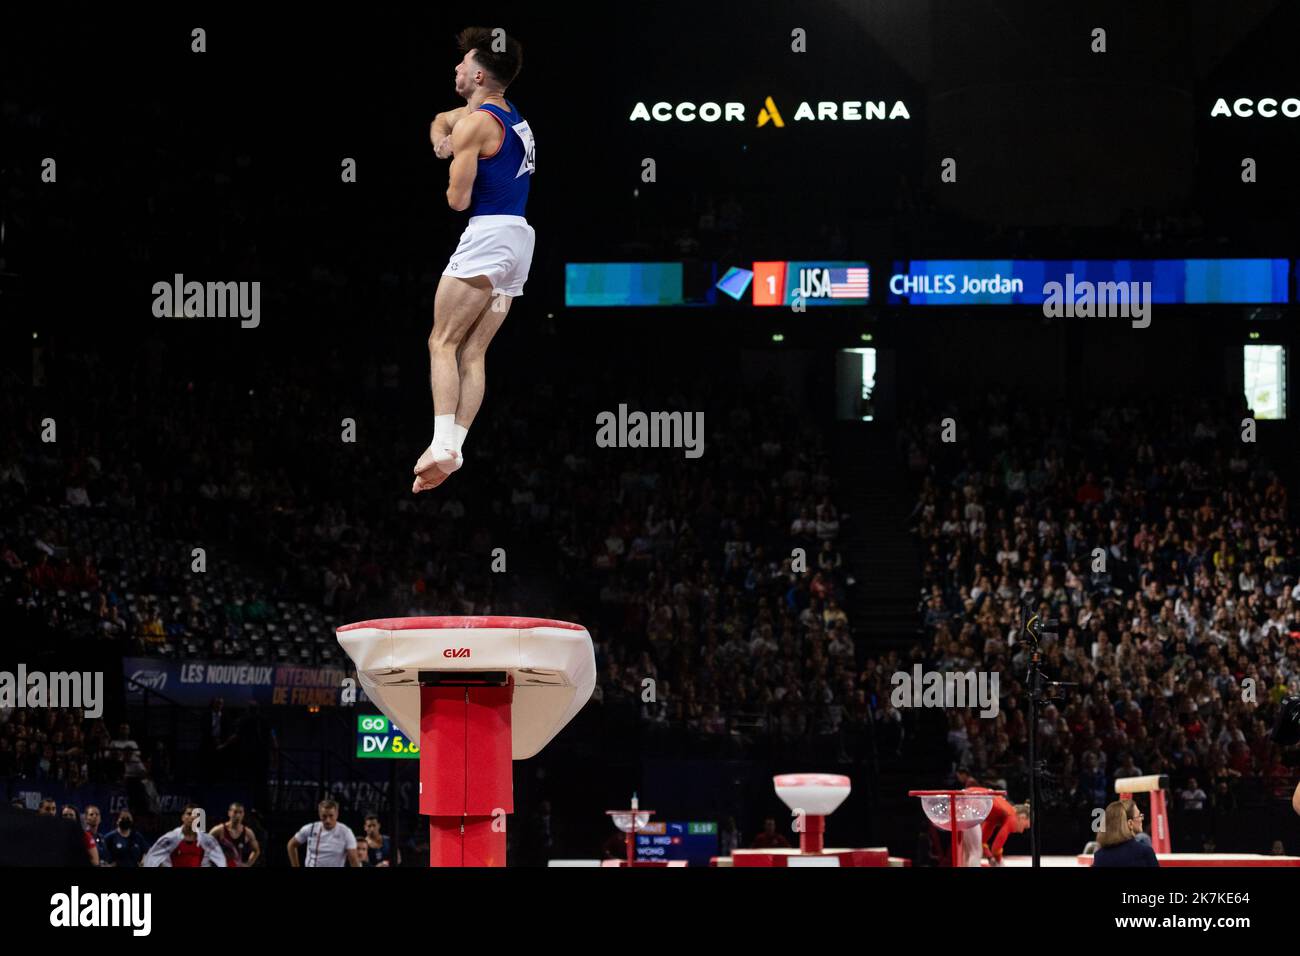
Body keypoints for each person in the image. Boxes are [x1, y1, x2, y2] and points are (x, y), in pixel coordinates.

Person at [413, 26, 534, 493]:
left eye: (463, 64)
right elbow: (442, 121)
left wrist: (455, 159)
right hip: (520, 243)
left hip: (487, 235)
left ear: (479, 75)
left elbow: (457, 202)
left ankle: (442, 442)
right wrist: (444, 141)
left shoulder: (476, 124)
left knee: (441, 341)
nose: (456, 69)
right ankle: (455, 446)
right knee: (474, 350)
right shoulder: (503, 112)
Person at [144, 804, 227, 867]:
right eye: (189, 814)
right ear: (183, 817)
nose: (192, 817)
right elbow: (151, 858)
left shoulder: (208, 840)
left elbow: (221, 861)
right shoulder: (170, 838)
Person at [288, 799, 360, 867]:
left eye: (331, 816)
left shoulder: (346, 832)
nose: (327, 820)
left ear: (337, 814)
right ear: (319, 814)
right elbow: (291, 845)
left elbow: (353, 860)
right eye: (324, 816)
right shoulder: (310, 829)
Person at [1090, 800, 1159, 867]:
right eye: (1139, 815)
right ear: (1130, 823)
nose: (1142, 818)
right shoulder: (1144, 852)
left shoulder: (1099, 856)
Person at [210, 802, 261, 867]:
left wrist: (248, 864)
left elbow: (256, 851)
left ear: (243, 814)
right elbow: (203, 847)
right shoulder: (219, 830)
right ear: (229, 813)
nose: (238, 815)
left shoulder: (248, 832)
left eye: (240, 812)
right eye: (235, 812)